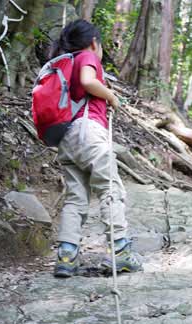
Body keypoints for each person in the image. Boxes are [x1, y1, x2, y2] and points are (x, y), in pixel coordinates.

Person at [49, 19, 141, 277]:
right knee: (109, 187)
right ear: (93, 42)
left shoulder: (64, 64)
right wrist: (111, 96)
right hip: (89, 131)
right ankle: (121, 252)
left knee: (76, 198)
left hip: (66, 137)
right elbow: (89, 81)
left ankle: (66, 256)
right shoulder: (87, 57)